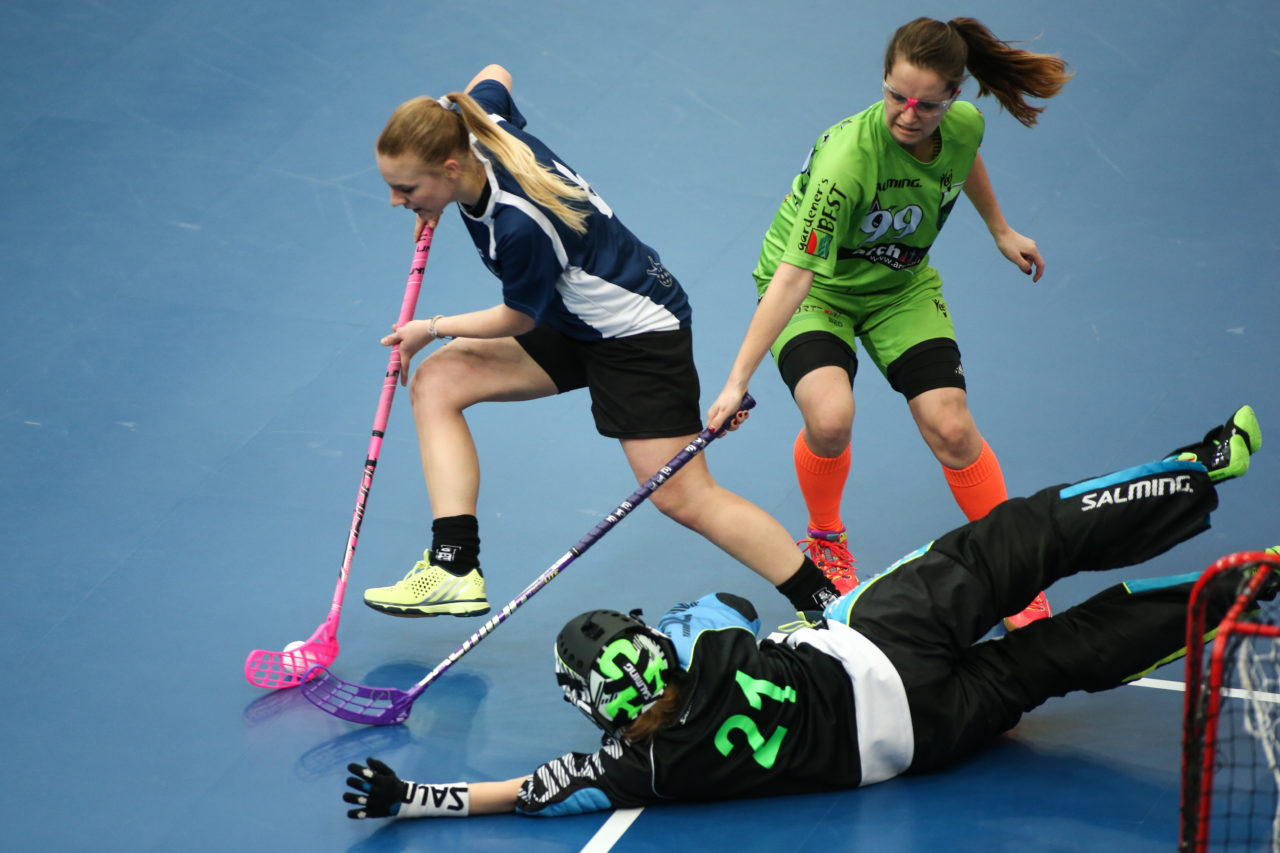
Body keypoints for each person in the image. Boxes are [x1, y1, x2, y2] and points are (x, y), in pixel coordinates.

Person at [341, 406, 1266, 820]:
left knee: (1067, 654)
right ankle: (1194, 471)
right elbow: (736, 599)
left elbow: (527, 793)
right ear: (650, 644)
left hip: (921, 739)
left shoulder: (640, 767)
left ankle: (1251, 586)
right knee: (1024, 539)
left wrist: (412, 799)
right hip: (881, 635)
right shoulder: (705, 641)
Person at [361, 64, 841, 620]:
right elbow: (495, 73)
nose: (395, 201)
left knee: (685, 498)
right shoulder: (476, 125)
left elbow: (518, 318)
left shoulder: (519, 222)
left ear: (450, 168)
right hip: (576, 317)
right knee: (438, 382)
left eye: (406, 190)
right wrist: (434, 196)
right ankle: (454, 567)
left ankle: (826, 601)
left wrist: (432, 327)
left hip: (636, 336)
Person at [706, 17, 1073, 627]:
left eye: (927, 105)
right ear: (882, 80)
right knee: (830, 418)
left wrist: (1000, 229)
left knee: (952, 427)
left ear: (953, 97)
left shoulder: (963, 125)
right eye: (896, 96)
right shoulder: (847, 162)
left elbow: (963, 161)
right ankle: (825, 539)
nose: (908, 114)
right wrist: (735, 381)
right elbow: (793, 278)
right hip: (818, 290)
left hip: (900, 289)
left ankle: (1012, 567)